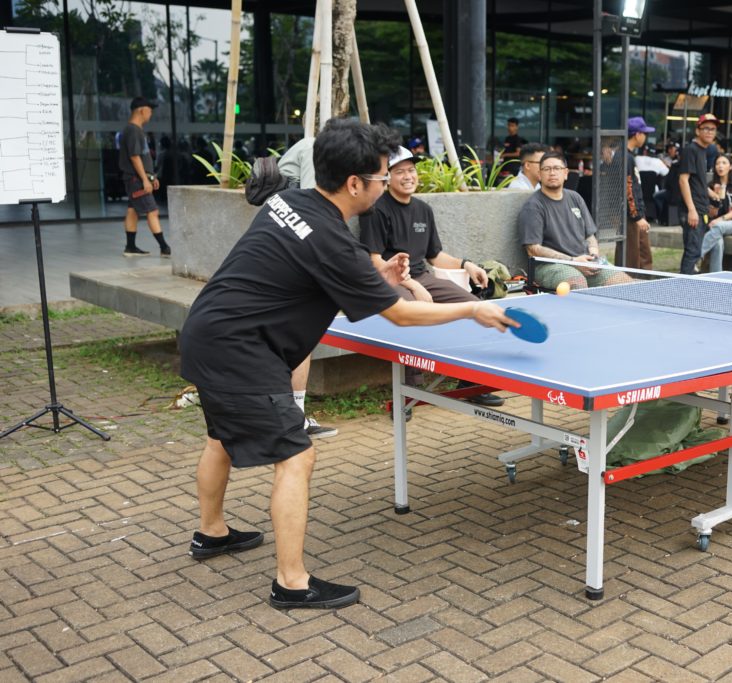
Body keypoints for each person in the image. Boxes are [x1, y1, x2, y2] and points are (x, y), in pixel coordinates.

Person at [178, 119, 516, 610]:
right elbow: (400, 314)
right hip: (241, 350)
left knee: (220, 437)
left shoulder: (290, 202)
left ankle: (211, 533)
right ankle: (291, 583)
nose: (384, 184)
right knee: (297, 456)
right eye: (381, 177)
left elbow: (315, 261)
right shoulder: (331, 239)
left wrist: (378, 274)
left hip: (208, 331)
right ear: (355, 183)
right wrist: (471, 309)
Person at [360, 146, 505, 407]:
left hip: (422, 276)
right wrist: (413, 286)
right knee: (412, 311)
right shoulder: (376, 209)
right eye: (400, 171)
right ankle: (408, 393)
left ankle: (470, 384)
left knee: (473, 307)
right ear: (387, 177)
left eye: (411, 170)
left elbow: (434, 256)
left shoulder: (423, 209)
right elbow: (374, 260)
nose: (408, 176)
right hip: (390, 280)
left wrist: (467, 265)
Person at [275, 136, 337, 438]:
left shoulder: (314, 148)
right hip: (291, 254)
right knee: (301, 334)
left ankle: (289, 414)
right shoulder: (315, 149)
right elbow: (315, 210)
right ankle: (293, 418)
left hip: (283, 246)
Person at [520, 151, 633, 290]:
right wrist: (573, 261)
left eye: (557, 168)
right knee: (577, 284)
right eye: (547, 169)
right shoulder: (533, 206)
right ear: (540, 174)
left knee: (626, 284)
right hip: (549, 265)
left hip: (583, 261)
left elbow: (590, 235)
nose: (552, 173)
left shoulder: (575, 198)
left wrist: (593, 254)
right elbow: (533, 249)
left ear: (565, 173)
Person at [118, 97, 171, 257]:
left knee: (132, 211)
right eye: (150, 110)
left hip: (136, 178)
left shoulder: (134, 130)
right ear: (141, 110)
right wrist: (145, 180)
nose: (151, 114)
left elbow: (142, 157)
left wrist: (151, 176)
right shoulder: (133, 130)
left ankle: (130, 247)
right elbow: (135, 157)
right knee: (152, 211)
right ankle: (164, 248)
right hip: (136, 180)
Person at [613, 116, 654, 271]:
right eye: (645, 133)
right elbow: (627, 188)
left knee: (643, 253)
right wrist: (637, 216)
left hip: (634, 214)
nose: (645, 137)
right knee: (630, 255)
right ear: (637, 134)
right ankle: (627, 282)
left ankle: (644, 281)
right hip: (629, 216)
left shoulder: (626, 155)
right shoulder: (625, 156)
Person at [679, 113, 718, 274]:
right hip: (693, 210)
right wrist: (692, 209)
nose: (709, 132)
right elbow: (683, 180)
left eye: (713, 129)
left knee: (696, 251)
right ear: (697, 131)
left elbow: (696, 180)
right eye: (706, 128)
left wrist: (710, 193)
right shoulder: (691, 150)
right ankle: (684, 284)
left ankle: (690, 281)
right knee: (693, 251)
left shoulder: (704, 150)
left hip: (701, 209)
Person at [700, 154, 732, 273]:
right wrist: (715, 198)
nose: (720, 166)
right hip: (712, 224)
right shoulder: (710, 186)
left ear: (730, 166)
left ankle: (696, 256)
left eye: (724, 163)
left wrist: (720, 220)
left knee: (719, 226)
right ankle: (716, 276)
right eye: (717, 163)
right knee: (718, 242)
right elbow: (710, 213)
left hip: (730, 223)